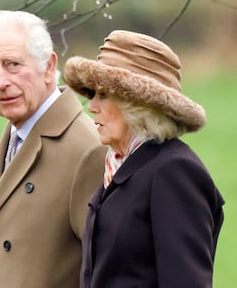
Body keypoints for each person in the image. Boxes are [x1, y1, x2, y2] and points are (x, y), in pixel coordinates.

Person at [63, 30, 225, 288]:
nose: (91, 106)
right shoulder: (119, 165)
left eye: (103, 95)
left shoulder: (174, 171)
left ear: (137, 104)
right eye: (92, 94)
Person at [0, 10, 106, 288]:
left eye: (13, 64)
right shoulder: (16, 132)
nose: (1, 82)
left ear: (48, 66)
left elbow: (104, 270)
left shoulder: (87, 149)